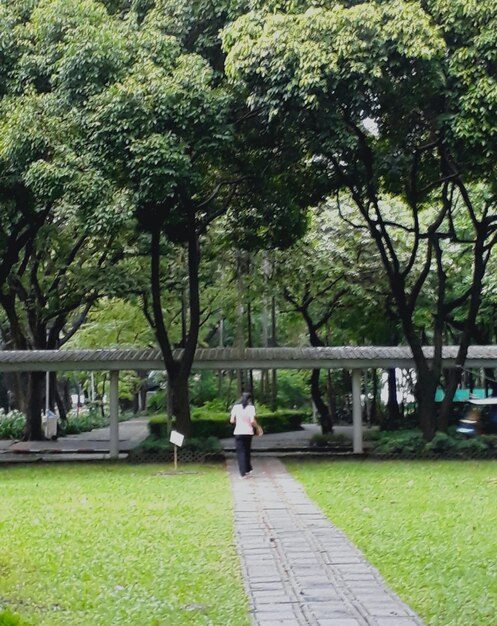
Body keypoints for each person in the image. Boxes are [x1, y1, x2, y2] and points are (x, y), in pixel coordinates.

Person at [230, 392, 263, 478]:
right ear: (249, 400)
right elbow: (252, 421)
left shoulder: (236, 407)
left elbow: (232, 421)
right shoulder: (251, 408)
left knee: (240, 452)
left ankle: (243, 472)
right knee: (247, 451)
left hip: (238, 432)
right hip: (248, 432)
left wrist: (239, 422)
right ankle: (247, 469)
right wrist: (258, 428)